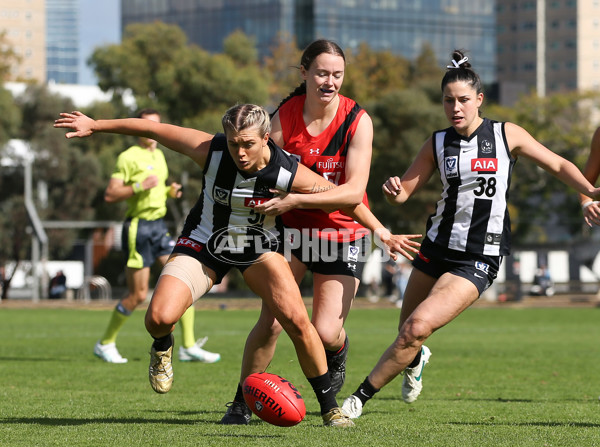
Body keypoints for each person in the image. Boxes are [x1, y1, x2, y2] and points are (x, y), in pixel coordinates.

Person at [54, 103, 401, 426]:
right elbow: (155, 130)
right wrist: (96, 125)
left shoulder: (288, 171)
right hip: (204, 243)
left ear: (266, 138)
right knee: (158, 318)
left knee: (296, 321)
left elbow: (345, 198)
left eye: (248, 143)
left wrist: (381, 231)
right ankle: (162, 347)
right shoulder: (211, 150)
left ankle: (330, 410)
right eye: (234, 143)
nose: (240, 152)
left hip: (258, 249)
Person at [341, 50, 600, 419]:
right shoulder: (436, 143)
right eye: (449, 100)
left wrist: (589, 191)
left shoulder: (506, 134)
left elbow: (558, 163)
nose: (455, 107)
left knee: (415, 328)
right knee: (407, 335)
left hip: (479, 256)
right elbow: (403, 195)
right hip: (435, 248)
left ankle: (356, 401)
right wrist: (393, 188)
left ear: (479, 99)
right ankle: (416, 361)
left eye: (463, 99)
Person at [219, 39, 422, 425]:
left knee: (326, 332)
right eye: (322, 73)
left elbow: (351, 191)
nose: (330, 81)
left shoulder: (358, 120)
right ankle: (241, 403)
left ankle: (338, 352)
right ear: (305, 74)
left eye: (337, 75)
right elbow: (258, 162)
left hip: (342, 234)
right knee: (273, 320)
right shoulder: (283, 116)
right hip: (290, 234)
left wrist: (298, 200)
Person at [91, 108, 220, 365]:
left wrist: (168, 191)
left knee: (183, 282)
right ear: (138, 127)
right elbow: (110, 194)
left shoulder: (160, 154)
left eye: (159, 126)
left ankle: (188, 346)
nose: (155, 131)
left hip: (160, 227)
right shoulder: (128, 157)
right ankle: (105, 343)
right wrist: (139, 186)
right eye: (149, 126)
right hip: (139, 228)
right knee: (138, 295)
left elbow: (156, 189)